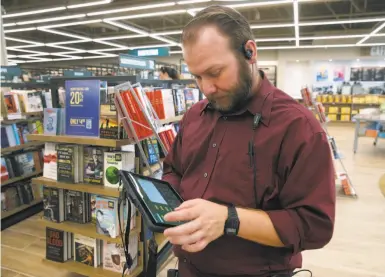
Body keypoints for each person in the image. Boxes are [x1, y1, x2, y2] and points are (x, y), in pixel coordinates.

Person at [162, 5, 336, 277]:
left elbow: (315, 225)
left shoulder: (297, 128)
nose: (206, 88)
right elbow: (174, 169)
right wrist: (168, 204)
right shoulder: (195, 116)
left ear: (250, 52)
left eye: (215, 72)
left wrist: (230, 219)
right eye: (197, 76)